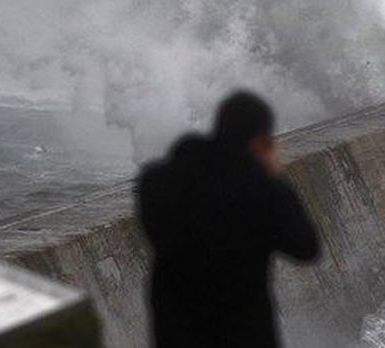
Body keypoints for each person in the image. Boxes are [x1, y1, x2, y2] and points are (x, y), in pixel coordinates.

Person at [136, 90, 320, 348]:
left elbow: (153, 226)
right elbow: (306, 247)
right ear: (261, 143)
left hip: (176, 334)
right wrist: (274, 178)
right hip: (244, 334)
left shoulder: (156, 180)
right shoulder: (263, 191)